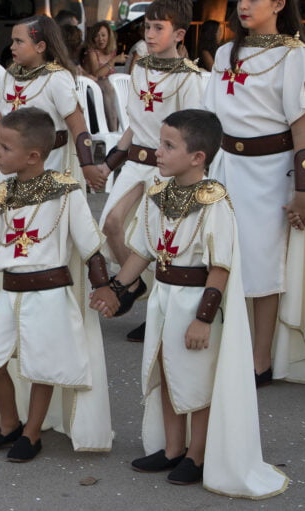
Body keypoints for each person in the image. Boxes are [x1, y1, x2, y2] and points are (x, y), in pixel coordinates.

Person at [91, 109, 289, 497]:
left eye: (168, 146)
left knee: (197, 382)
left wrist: (203, 319)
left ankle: (197, 456)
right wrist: (115, 288)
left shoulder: (213, 202)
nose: (157, 152)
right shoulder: (157, 195)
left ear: (197, 157)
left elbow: (220, 266)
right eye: (160, 143)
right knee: (166, 371)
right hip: (164, 299)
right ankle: (172, 448)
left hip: (196, 303)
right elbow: (143, 252)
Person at [0, 107, 115, 461]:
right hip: (11, 293)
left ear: (33, 155)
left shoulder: (65, 193)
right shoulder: (3, 194)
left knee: (42, 366)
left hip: (49, 294)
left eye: (5, 148)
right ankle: (9, 424)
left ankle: (32, 433)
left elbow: (90, 244)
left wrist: (103, 286)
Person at [203, 0, 305, 385]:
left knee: (263, 263)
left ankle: (260, 360)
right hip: (225, 166)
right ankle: (228, 349)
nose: (244, 6)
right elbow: (211, 116)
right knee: (221, 255)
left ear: (279, 4)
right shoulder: (224, 53)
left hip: (272, 172)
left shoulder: (294, 54)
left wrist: (303, 191)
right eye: (240, 0)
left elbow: (302, 127)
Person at [98, 0, 203, 342]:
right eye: (147, 27)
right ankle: (132, 281)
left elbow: (189, 133)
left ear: (179, 34)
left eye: (160, 28)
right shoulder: (140, 68)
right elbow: (134, 125)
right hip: (135, 164)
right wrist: (109, 162)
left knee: (160, 243)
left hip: (165, 169)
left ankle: (155, 315)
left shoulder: (190, 78)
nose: (151, 33)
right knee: (111, 223)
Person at [0, 15, 108, 191]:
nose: (12, 47)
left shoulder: (57, 78)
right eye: (12, 41)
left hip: (49, 164)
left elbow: (79, 127)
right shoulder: (9, 76)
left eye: (19, 42)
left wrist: (87, 166)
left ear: (40, 46)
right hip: (10, 168)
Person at [83, 21, 126, 131]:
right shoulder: (92, 52)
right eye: (96, 36)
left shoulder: (112, 51)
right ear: (92, 38)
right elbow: (97, 73)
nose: (100, 39)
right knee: (108, 86)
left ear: (109, 36)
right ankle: (113, 130)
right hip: (93, 87)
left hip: (109, 87)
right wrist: (113, 61)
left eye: (103, 35)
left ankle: (122, 127)